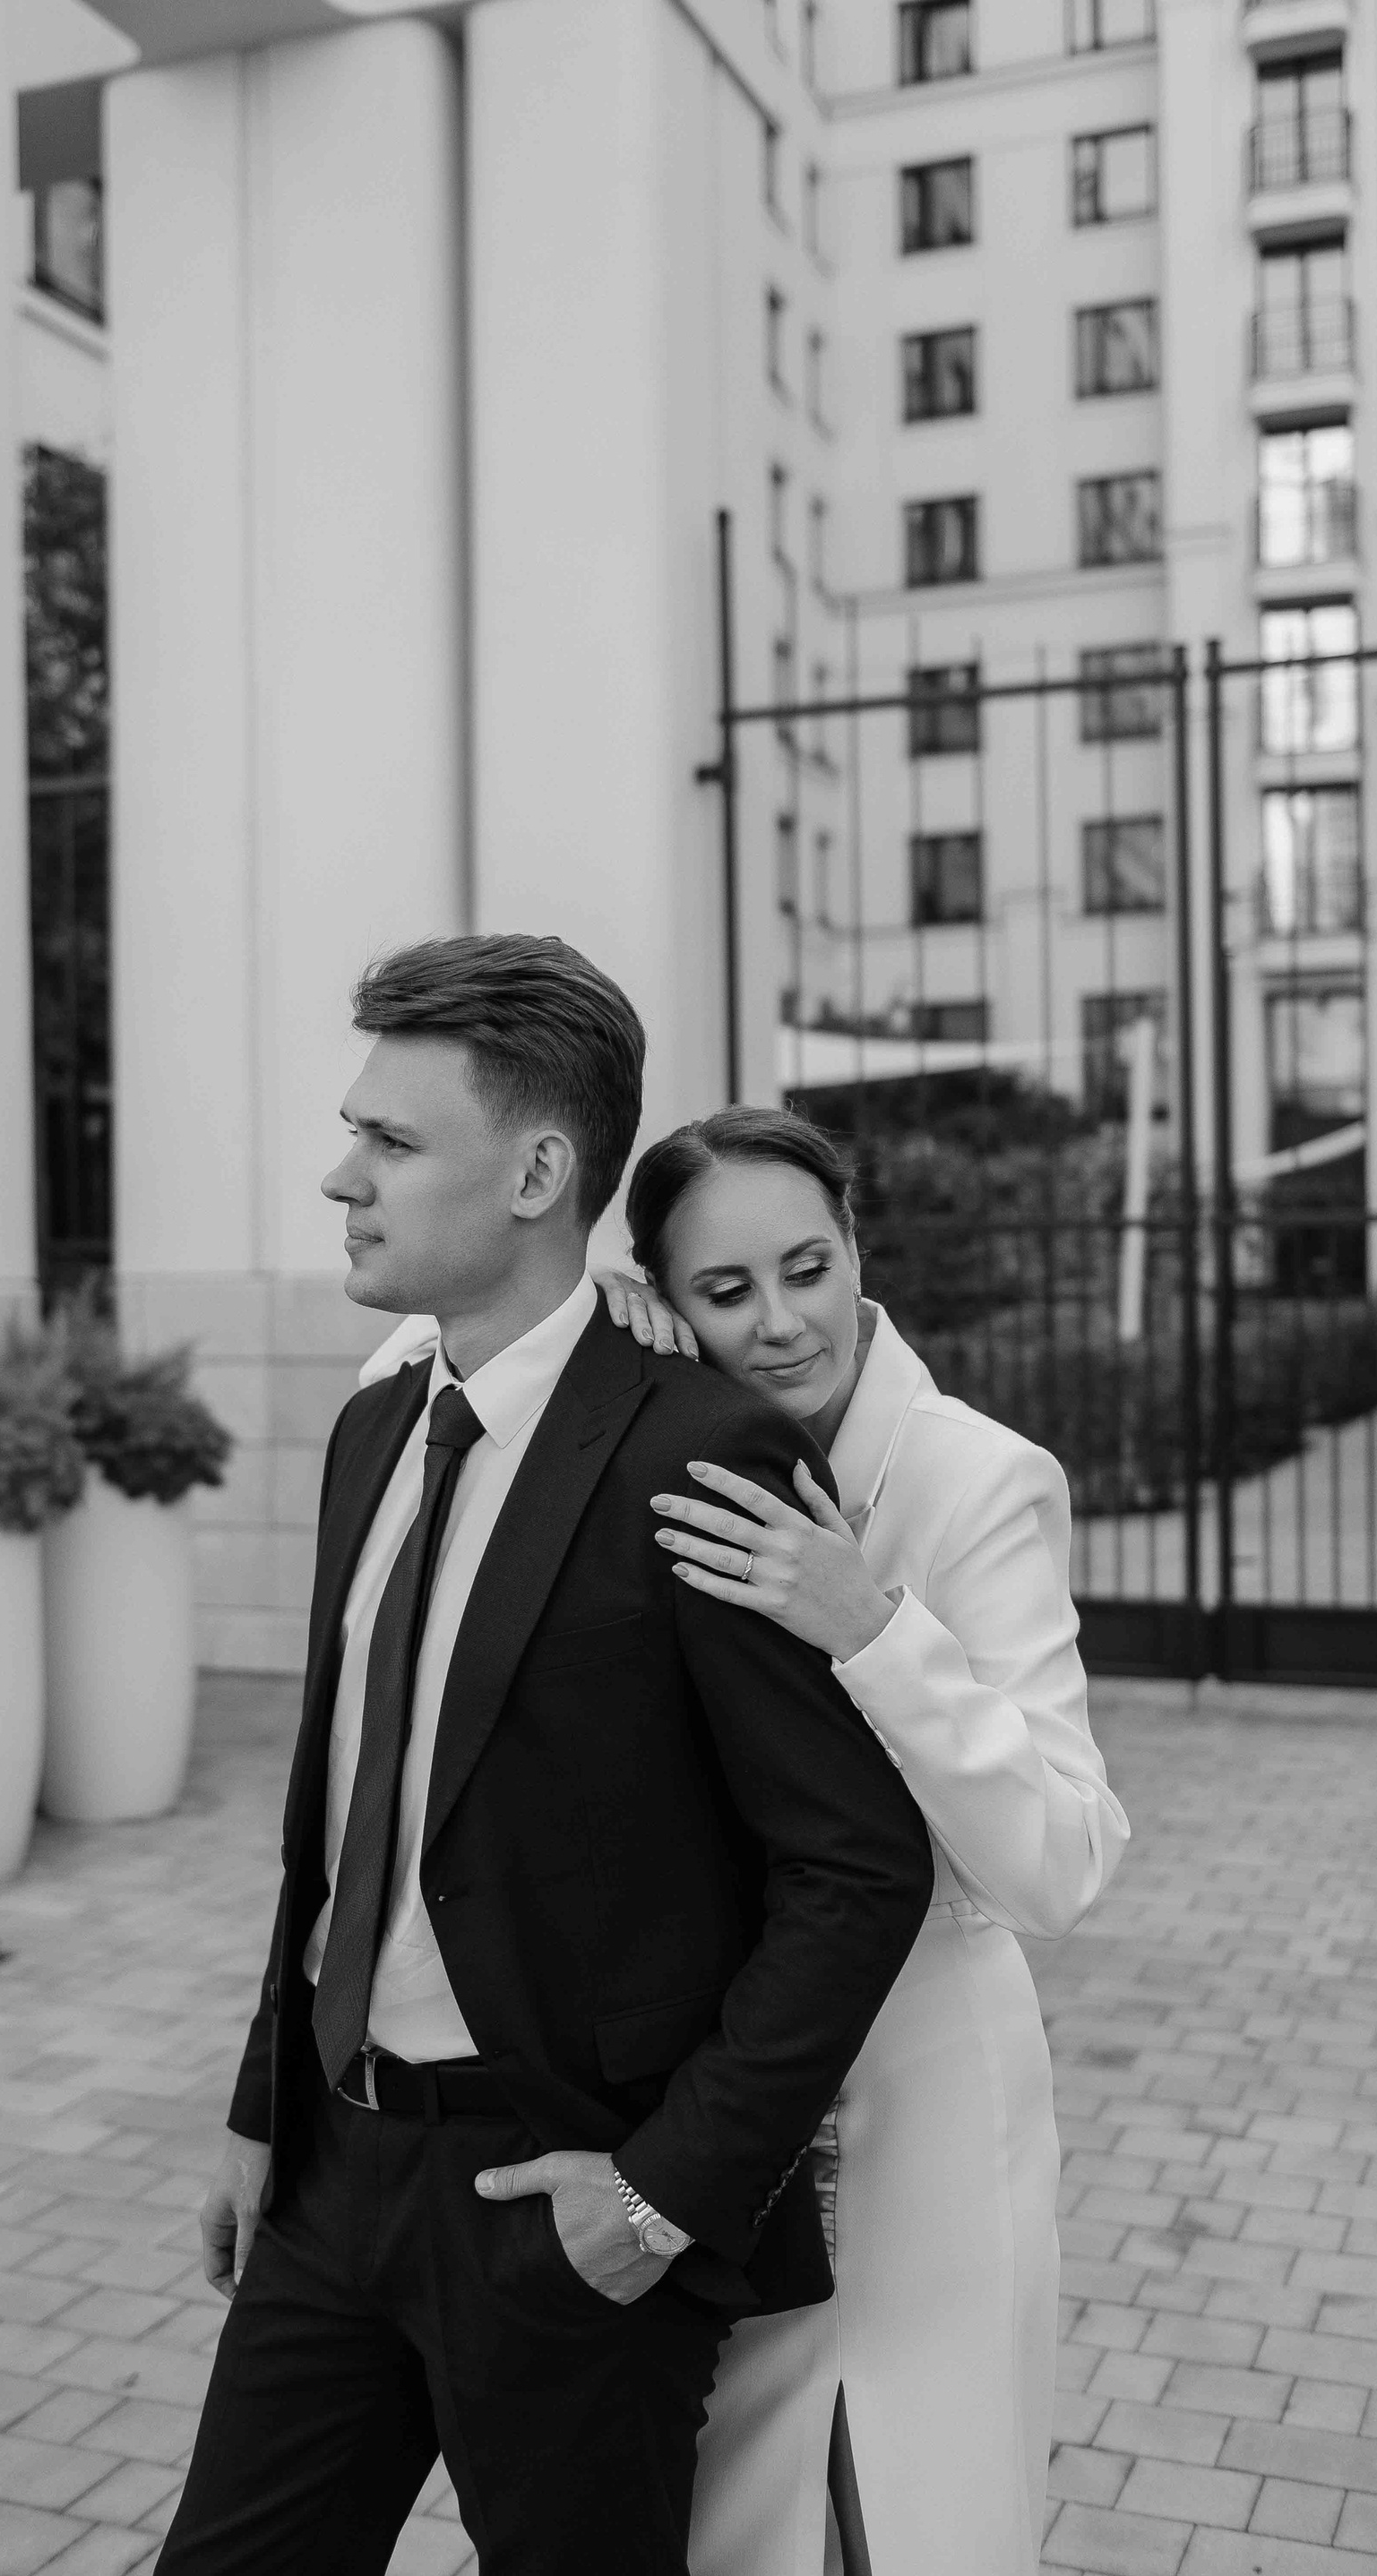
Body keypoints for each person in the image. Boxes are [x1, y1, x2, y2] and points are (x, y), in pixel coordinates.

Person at [155, 940, 934, 2576]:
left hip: (561, 2212)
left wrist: (661, 2196)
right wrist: (260, 2109)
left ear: (535, 1175)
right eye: (355, 1134)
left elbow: (855, 1867)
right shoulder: (376, 1426)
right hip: (330, 2176)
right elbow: (341, 1824)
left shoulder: (700, 1450)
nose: (342, 1178)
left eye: (390, 1142)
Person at [609, 1105, 1132, 2576]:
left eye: (808, 1268)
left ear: (856, 1251)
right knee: (734, 2521)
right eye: (725, 1291)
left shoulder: (978, 1479)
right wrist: (584, 1317)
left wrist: (874, 1628)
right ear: (665, 1298)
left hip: (922, 2095)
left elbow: (1064, 1861)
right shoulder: (663, 1448)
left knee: (902, 2516)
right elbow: (415, 1355)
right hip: (717, 2092)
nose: (782, 1324)